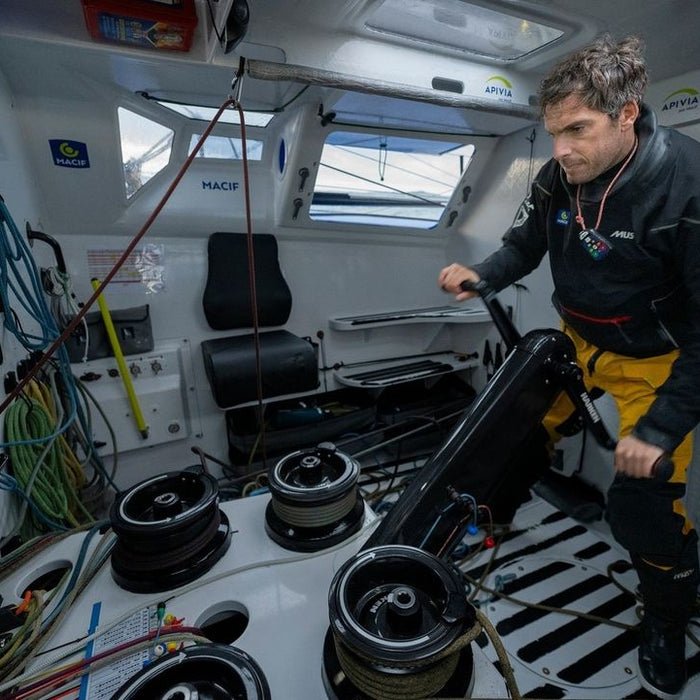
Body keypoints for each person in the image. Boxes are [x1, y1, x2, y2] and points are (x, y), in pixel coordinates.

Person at [439, 35, 700, 700]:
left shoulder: (686, 189)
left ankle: (669, 619)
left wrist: (662, 428)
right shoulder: (563, 173)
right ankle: (488, 521)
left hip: (656, 364)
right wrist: (482, 275)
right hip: (576, 341)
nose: (560, 150)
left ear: (627, 115)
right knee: (512, 430)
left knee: (640, 505)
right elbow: (524, 244)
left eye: (577, 130)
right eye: (553, 132)